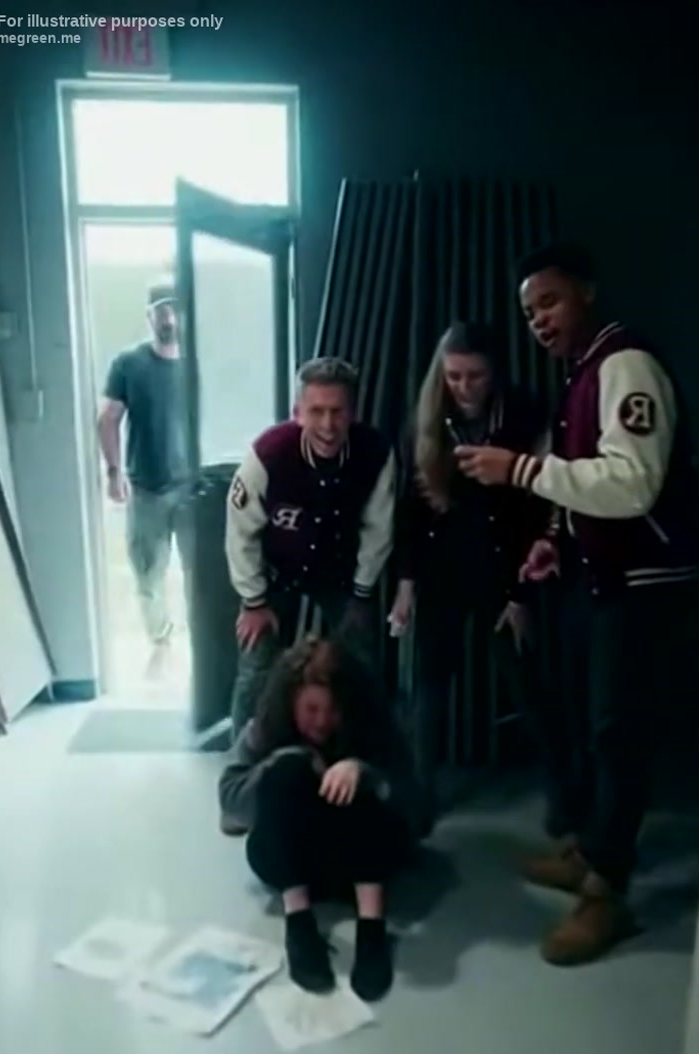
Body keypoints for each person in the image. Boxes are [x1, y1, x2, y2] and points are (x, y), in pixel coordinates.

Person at [456, 243, 699, 966]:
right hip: (606, 579)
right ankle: (595, 851)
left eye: (550, 301)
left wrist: (520, 470)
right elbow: (590, 481)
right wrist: (556, 541)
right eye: (530, 310)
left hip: (646, 586)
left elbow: (632, 484)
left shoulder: (625, 366)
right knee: (599, 727)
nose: (539, 319)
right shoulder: (585, 372)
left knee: (619, 735)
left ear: (586, 292)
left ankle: (608, 893)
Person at [388, 321, 551, 804]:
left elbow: (538, 510)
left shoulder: (523, 413)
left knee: (530, 687)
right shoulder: (425, 420)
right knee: (428, 690)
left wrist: (521, 594)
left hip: (506, 569)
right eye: (453, 376)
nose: (463, 387)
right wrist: (406, 584)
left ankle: (567, 800)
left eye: (475, 376)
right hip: (442, 571)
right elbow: (410, 509)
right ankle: (418, 800)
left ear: (494, 372)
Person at [218, 636, 428, 999]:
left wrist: (364, 771)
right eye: (311, 709)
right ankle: (298, 923)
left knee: (358, 783)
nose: (322, 721)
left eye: (333, 710)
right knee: (286, 771)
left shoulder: (374, 725)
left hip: (360, 861)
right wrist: (287, 761)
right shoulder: (266, 727)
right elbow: (229, 799)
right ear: (291, 702)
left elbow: (418, 809)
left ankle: (372, 928)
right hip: (296, 862)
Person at [224, 356, 396, 745]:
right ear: (297, 413)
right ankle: (242, 765)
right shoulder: (267, 455)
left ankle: (363, 760)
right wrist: (253, 601)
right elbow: (240, 533)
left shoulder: (376, 454)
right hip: (275, 572)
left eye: (337, 411)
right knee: (256, 665)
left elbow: (379, 529)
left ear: (353, 413)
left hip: (340, 571)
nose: (328, 425)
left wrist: (362, 594)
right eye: (316, 411)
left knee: (361, 666)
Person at [97, 278, 192, 676]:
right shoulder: (129, 364)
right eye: (161, 311)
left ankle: (203, 651)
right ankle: (161, 642)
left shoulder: (196, 361)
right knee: (148, 574)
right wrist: (114, 473)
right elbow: (108, 419)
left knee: (199, 573)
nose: (168, 318)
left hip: (192, 488)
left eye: (174, 309)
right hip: (146, 486)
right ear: (149, 317)